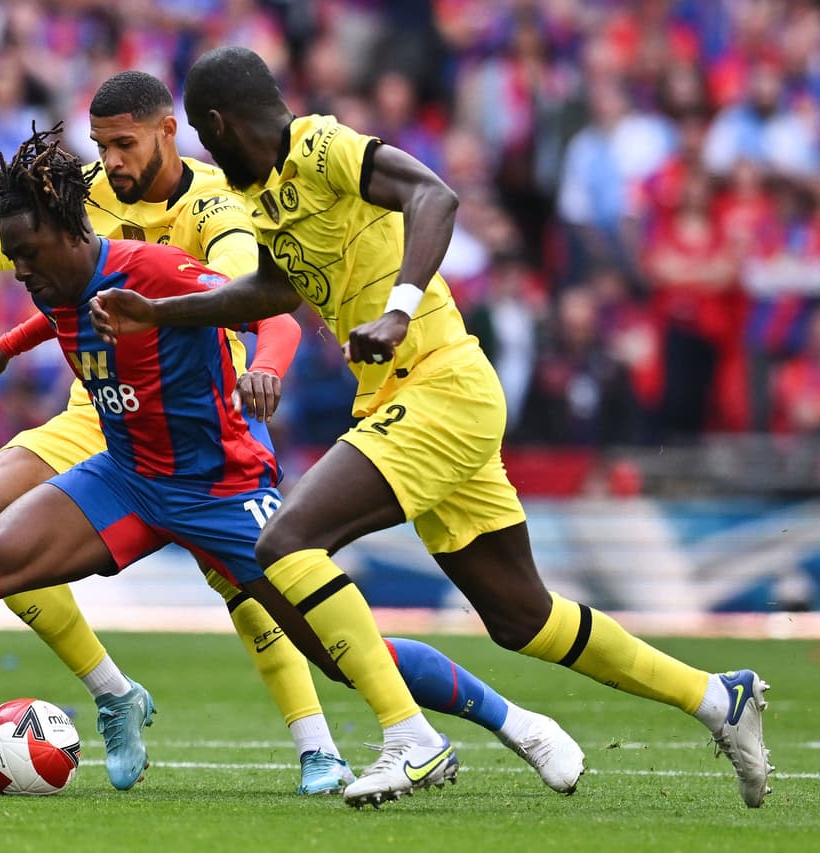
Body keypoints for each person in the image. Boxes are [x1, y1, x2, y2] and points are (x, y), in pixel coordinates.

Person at [0, 128, 583, 800]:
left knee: (334, 648)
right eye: (18, 261)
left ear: (75, 235)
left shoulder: (154, 270)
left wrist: (265, 364)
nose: (25, 274)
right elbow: (54, 299)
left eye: (31, 257)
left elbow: (270, 307)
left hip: (223, 490)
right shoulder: (63, 286)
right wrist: (1, 341)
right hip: (126, 478)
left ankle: (511, 717)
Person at [89, 46, 774, 809]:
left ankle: (409, 737)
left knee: (285, 542)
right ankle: (718, 696)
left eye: (204, 139)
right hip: (412, 401)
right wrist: (160, 312)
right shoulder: (263, 199)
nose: (201, 154)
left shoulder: (320, 147)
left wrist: (399, 307)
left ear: (216, 125)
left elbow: (435, 196)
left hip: (441, 385)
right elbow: (273, 288)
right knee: (523, 617)